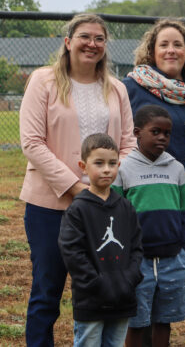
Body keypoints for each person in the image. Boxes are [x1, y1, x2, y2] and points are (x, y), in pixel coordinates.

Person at [19, 13, 136, 347]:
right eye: (85, 36)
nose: (92, 44)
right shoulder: (43, 81)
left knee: (103, 291)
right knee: (47, 290)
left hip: (104, 207)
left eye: (100, 39)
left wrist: (104, 183)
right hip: (51, 205)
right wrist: (76, 188)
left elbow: (127, 144)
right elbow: (32, 142)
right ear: (68, 42)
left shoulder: (116, 89)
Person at [110, 105, 185, 347]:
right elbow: (115, 217)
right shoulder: (123, 169)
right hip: (138, 260)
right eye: (155, 131)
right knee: (136, 321)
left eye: (167, 133)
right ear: (137, 132)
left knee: (164, 320)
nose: (162, 137)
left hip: (171, 259)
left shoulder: (177, 168)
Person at [59, 133, 144, 347]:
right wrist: (97, 283)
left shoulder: (125, 207)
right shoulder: (78, 209)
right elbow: (72, 252)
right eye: (99, 163)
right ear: (83, 166)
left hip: (123, 297)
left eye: (112, 163)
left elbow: (136, 247)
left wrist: (129, 279)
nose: (107, 169)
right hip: (91, 300)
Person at [124, 19, 185, 167]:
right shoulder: (131, 88)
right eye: (164, 45)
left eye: (177, 45)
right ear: (152, 51)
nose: (171, 50)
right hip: (153, 183)